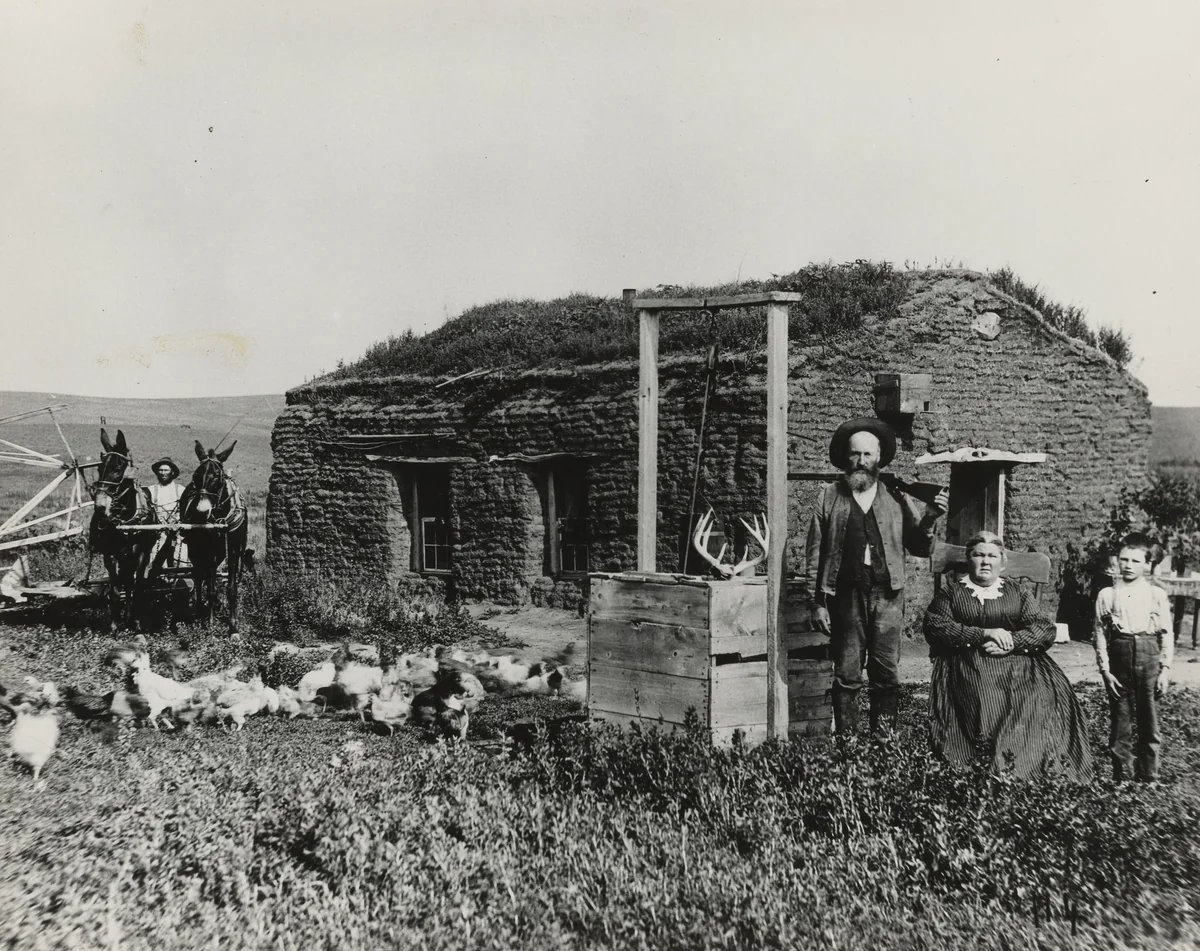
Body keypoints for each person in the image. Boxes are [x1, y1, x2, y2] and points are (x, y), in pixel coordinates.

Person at [805, 417, 948, 733]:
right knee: (847, 674)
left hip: (888, 595)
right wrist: (817, 602)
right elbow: (814, 554)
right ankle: (848, 747)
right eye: (855, 454)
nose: (861, 461)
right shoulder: (827, 497)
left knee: (886, 674)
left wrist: (930, 518)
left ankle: (884, 744)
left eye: (868, 455)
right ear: (846, 457)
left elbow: (922, 548)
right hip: (845, 597)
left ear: (879, 459)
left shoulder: (897, 497)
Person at [924, 531, 1092, 781]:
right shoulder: (952, 594)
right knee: (986, 697)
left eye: (992, 556)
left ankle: (1028, 769)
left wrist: (1012, 642)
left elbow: (1044, 629)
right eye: (978, 555)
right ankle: (989, 769)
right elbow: (936, 627)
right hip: (968, 664)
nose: (985, 561)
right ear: (968, 560)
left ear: (1001, 563)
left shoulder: (1017, 593)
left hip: (1020, 662)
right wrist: (983, 634)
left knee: (1041, 696)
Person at [1094, 533, 1174, 782]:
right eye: (1124, 559)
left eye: (1136, 561)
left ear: (1147, 564)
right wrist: (1105, 670)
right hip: (1120, 657)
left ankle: (1149, 775)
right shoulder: (1107, 595)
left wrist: (1165, 669)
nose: (1129, 565)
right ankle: (1123, 777)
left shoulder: (1156, 595)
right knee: (1121, 720)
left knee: (1149, 721)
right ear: (1117, 561)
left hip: (1149, 657)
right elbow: (1099, 633)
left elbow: (1167, 634)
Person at [147, 457, 186, 575]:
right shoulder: (151, 490)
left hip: (177, 532)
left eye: (166, 470)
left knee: (180, 561)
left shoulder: (181, 489)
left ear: (172, 472)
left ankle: (180, 584)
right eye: (161, 470)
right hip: (158, 532)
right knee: (156, 562)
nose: (163, 473)